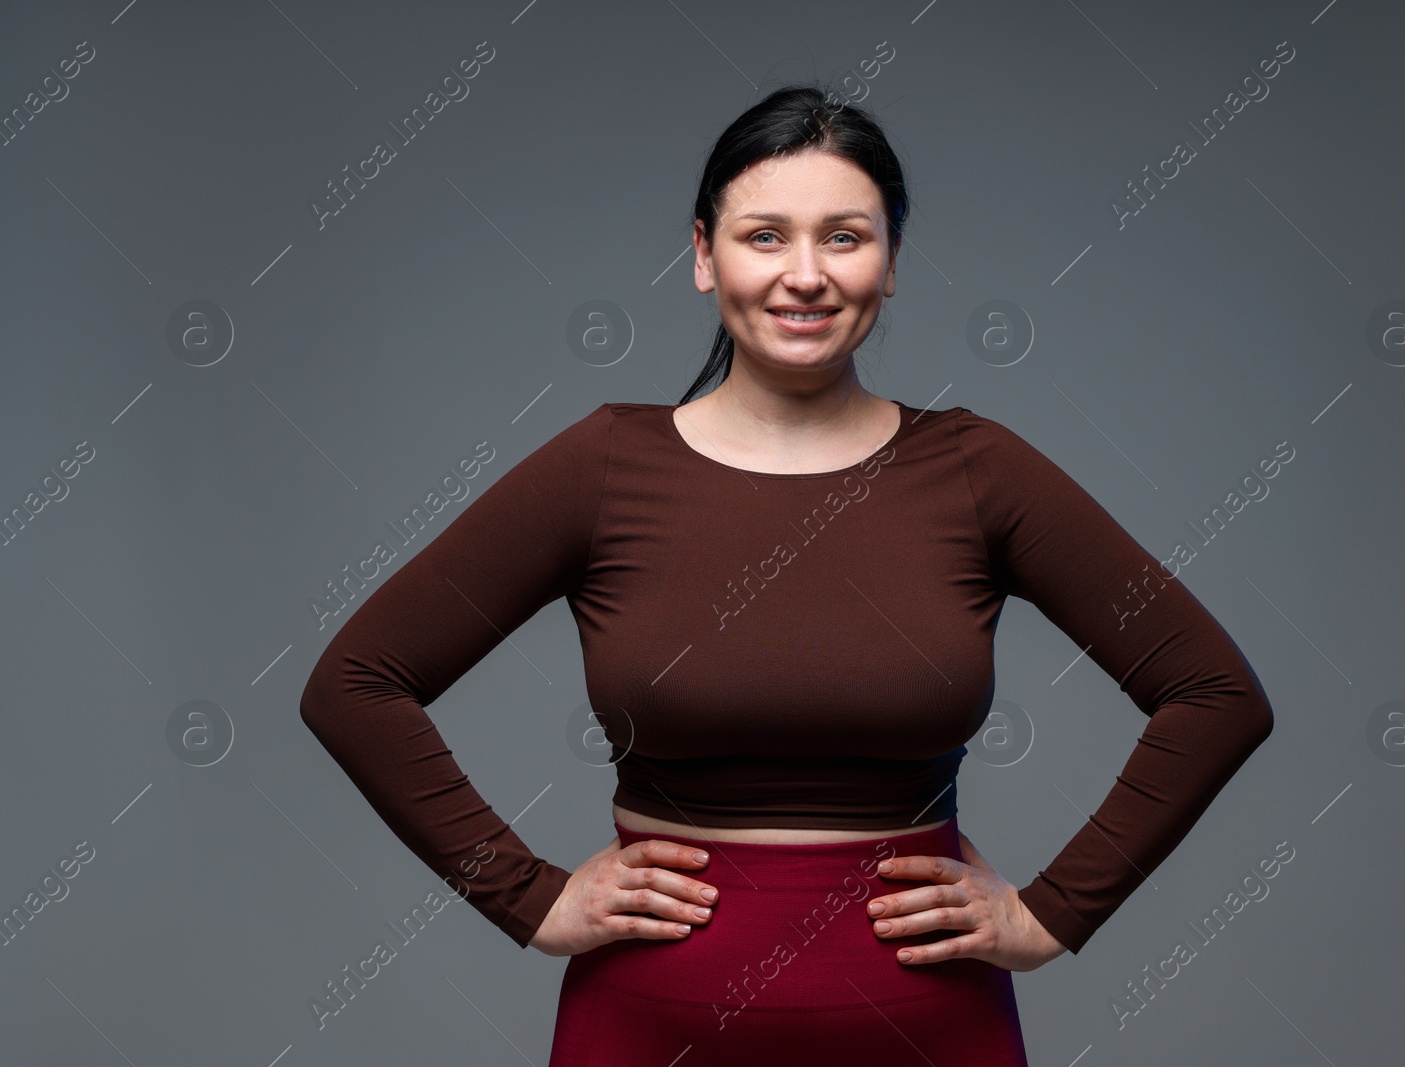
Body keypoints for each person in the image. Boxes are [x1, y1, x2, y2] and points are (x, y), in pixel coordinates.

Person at [299, 84, 1274, 1065]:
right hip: (646, 1026)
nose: (804, 275)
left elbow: (1212, 692)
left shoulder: (976, 471)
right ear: (700, 254)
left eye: (843, 237)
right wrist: (529, 892)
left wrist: (1052, 912)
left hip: (929, 1029)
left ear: (890, 263)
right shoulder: (602, 467)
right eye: (765, 236)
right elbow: (356, 682)